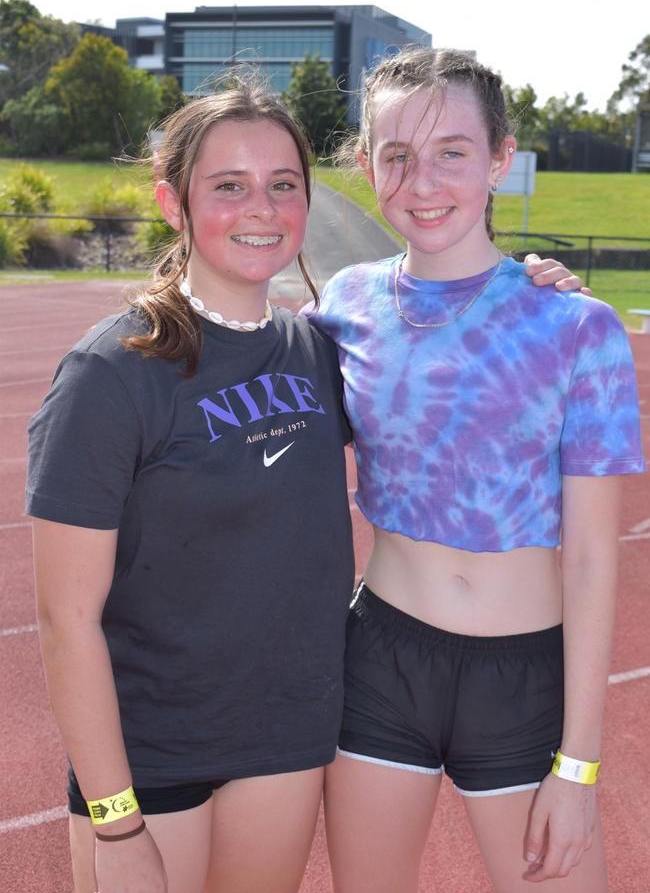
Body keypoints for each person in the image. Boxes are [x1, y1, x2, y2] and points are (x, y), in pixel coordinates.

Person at [27, 75, 585, 893]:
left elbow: (435, 375)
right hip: (152, 757)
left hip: (284, 750)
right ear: (173, 202)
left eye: (282, 185)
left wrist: (531, 292)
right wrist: (116, 821)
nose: (261, 207)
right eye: (228, 186)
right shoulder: (113, 371)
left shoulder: (318, 349)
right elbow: (62, 616)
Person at [306, 48, 646, 893]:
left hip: (523, 681)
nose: (422, 181)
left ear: (499, 158)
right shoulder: (344, 305)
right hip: (378, 665)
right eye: (396, 156)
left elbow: (597, 558)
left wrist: (579, 769)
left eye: (452, 152)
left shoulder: (576, 328)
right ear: (366, 166)